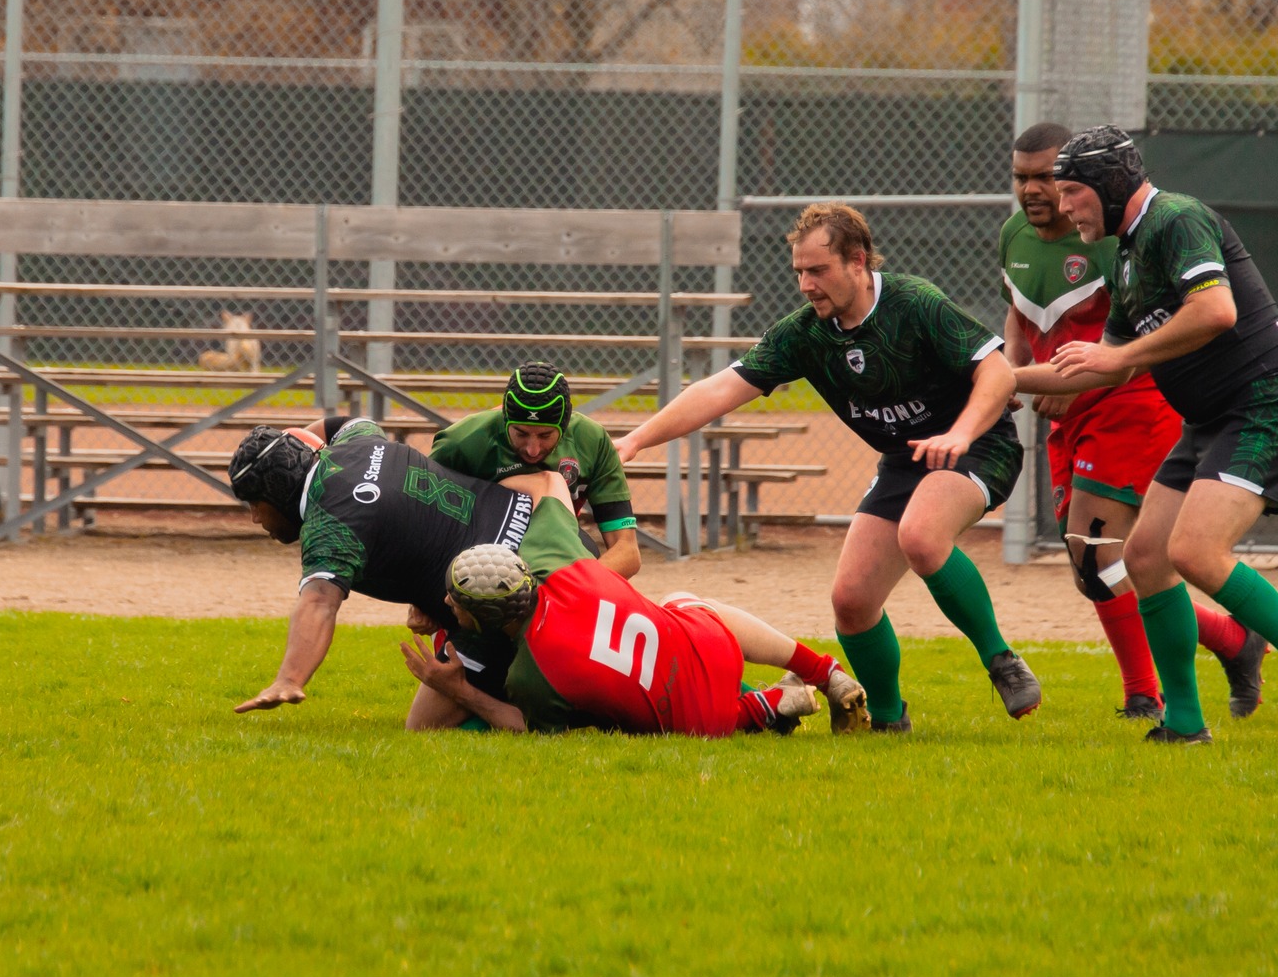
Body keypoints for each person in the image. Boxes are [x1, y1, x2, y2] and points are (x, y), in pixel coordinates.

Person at [614, 202, 1040, 734]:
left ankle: (1001, 660)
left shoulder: (914, 303)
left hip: (977, 445)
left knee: (922, 536)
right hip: (907, 460)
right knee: (852, 602)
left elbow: (998, 373)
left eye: (818, 271)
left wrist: (959, 432)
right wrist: (634, 441)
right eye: (798, 272)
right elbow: (721, 388)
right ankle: (886, 721)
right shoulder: (805, 334)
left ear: (858, 262)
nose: (805, 285)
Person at [1014, 126, 1278, 747]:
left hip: (1265, 403)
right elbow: (1106, 355)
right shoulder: (1125, 256)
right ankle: (1182, 722)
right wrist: (994, 379)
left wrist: (1116, 361)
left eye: (1072, 192)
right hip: (1209, 419)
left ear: (1111, 186)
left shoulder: (1176, 217)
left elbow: (1215, 311)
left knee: (1194, 552)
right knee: (1145, 557)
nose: (1064, 207)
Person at [1001, 122, 1266, 721]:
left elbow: (1137, 328)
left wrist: (1092, 376)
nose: (1036, 191)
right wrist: (1012, 374)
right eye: (1022, 178)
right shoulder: (1015, 233)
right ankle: (1232, 641)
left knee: (1097, 552)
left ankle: (1145, 696)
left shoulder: (1108, 233)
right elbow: (1018, 310)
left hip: (1127, 398)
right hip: (1059, 402)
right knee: (1093, 563)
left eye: (1048, 177)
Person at [403, 492, 870, 736]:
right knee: (684, 599)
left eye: (456, 603)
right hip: (709, 644)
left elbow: (530, 729)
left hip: (701, 717)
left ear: (488, 619)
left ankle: (767, 704)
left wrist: (461, 690)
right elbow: (549, 505)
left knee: (676, 718)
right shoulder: (574, 572)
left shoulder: (531, 673)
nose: (446, 605)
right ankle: (822, 670)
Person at [228, 416, 591, 728]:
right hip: (559, 540)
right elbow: (341, 423)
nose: (256, 518)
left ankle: (550, 711)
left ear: (278, 493)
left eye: (255, 505)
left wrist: (289, 679)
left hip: (503, 599)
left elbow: (320, 602)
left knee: (424, 724)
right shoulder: (359, 442)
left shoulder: (331, 523)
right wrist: (287, 450)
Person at [428, 360, 641, 578]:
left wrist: (579, 586)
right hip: (480, 548)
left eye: (545, 436)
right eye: (520, 434)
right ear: (505, 419)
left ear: (565, 425)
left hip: (554, 544)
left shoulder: (592, 441)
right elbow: (427, 528)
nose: (532, 449)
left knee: (586, 554)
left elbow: (627, 551)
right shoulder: (461, 442)